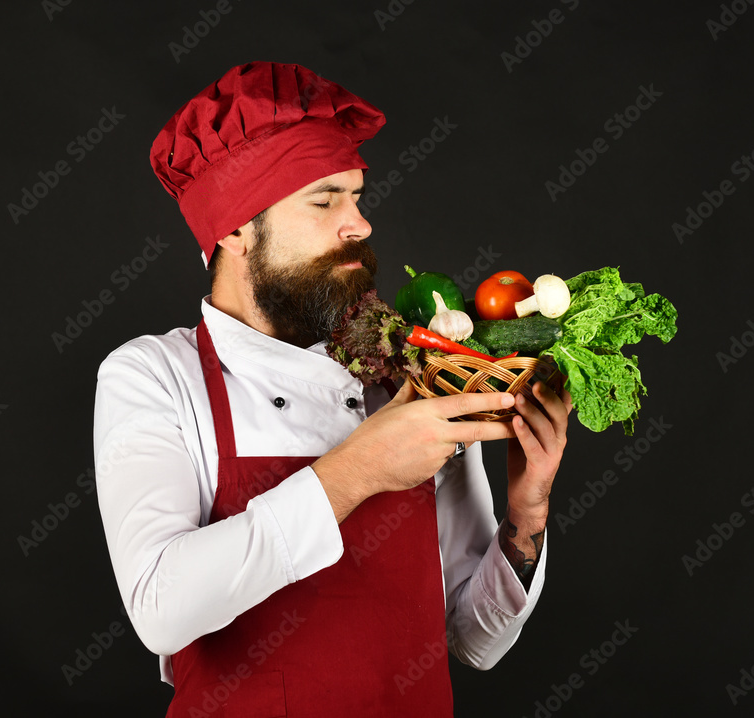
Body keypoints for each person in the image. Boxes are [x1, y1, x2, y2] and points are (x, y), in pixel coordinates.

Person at [93, 61, 571, 717]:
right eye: (325, 201)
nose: (360, 224)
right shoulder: (154, 376)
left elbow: (471, 638)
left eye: (357, 196)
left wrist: (528, 517)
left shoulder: (406, 372)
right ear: (234, 228)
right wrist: (360, 468)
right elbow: (160, 608)